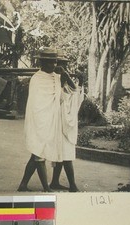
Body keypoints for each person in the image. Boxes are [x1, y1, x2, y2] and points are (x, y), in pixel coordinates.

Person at [17, 47, 78, 192]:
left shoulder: (56, 78)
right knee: (39, 152)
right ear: (42, 63)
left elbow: (73, 90)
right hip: (40, 121)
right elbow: (37, 105)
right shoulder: (37, 79)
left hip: (53, 121)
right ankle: (46, 187)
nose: (53, 65)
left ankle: (23, 184)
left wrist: (66, 75)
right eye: (49, 62)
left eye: (54, 62)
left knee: (39, 152)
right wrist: (42, 121)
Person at [49, 50, 83, 192]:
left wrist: (68, 77)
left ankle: (54, 182)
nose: (63, 68)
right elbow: (60, 98)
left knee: (62, 152)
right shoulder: (53, 82)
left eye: (65, 65)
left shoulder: (64, 82)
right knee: (65, 153)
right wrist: (63, 78)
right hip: (58, 122)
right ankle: (73, 185)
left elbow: (75, 92)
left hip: (65, 121)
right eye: (61, 64)